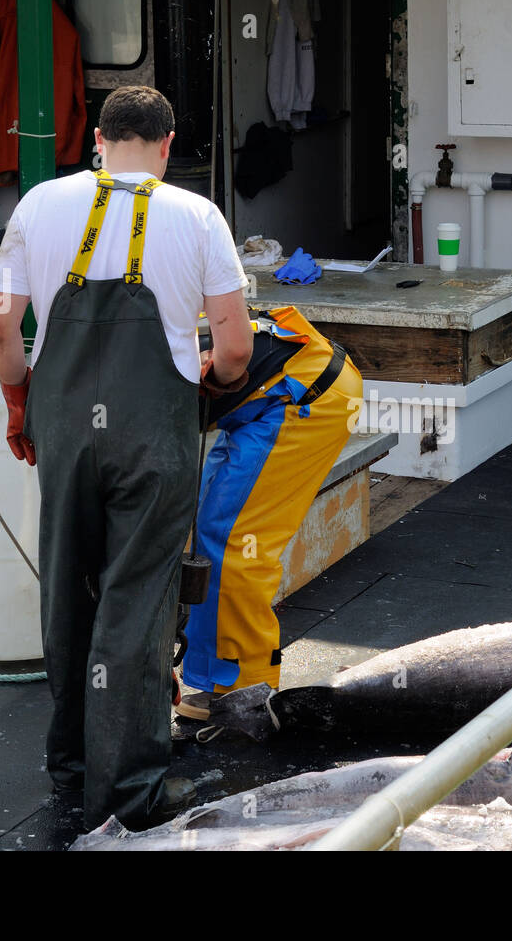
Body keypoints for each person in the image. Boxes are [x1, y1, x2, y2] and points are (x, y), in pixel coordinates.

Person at [0, 85, 252, 831]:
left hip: (64, 432)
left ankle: (71, 764)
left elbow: (0, 326)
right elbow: (233, 348)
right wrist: (215, 378)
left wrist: (19, 401)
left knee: (69, 591)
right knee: (136, 602)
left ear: (96, 140)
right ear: (167, 149)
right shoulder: (197, 216)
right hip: (152, 440)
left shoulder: (40, 204)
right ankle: (128, 792)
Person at [172, 304, 362, 719]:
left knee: (236, 542)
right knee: (208, 532)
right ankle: (208, 678)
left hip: (305, 393)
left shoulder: (133, 377)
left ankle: (244, 689)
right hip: (268, 393)